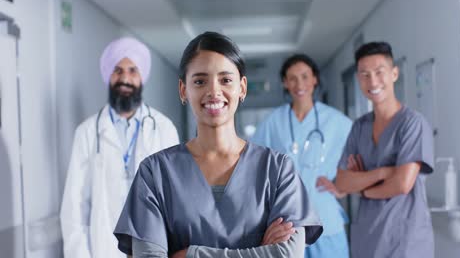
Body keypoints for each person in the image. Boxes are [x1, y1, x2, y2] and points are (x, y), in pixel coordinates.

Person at [113, 32, 323, 258]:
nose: (213, 91)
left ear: (242, 87)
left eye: (225, 80)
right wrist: (262, 252)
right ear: (184, 90)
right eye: (200, 81)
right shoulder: (155, 173)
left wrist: (189, 255)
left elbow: (289, 255)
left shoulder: (278, 170)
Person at [60, 37, 180, 258]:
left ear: (142, 76)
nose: (125, 78)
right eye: (117, 70)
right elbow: (74, 208)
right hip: (104, 249)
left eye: (133, 70)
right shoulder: (86, 133)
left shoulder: (164, 129)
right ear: (108, 75)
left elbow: (176, 200)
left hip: (154, 248)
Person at [335, 41, 434, 258]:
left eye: (379, 72)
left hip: (405, 240)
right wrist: (381, 173)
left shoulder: (412, 124)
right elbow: (342, 182)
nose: (372, 81)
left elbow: (401, 184)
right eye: (364, 74)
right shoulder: (359, 127)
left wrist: (362, 186)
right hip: (366, 239)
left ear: (394, 73)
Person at [251, 54, 352, 258]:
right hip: (287, 221)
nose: (300, 84)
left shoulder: (336, 121)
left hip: (326, 219)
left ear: (315, 79)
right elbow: (253, 165)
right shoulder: (273, 121)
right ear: (285, 82)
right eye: (293, 78)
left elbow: (358, 158)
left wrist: (343, 188)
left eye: (305, 76)